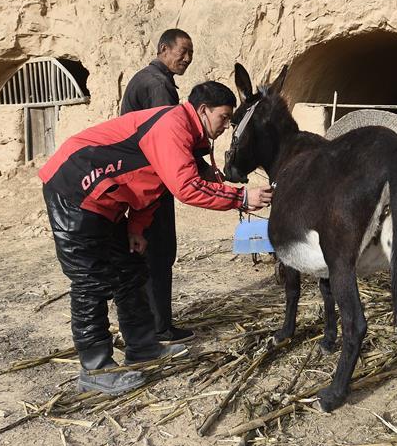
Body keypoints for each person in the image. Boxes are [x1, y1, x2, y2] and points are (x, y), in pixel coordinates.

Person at [40, 81, 273, 395]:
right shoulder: (173, 126)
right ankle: (94, 369)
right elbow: (185, 187)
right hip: (74, 191)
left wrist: (137, 226)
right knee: (90, 281)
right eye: (224, 117)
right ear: (203, 111)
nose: (225, 126)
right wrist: (241, 198)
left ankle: (143, 348)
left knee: (130, 272)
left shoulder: (186, 135)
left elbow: (154, 183)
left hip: (107, 201)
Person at [120, 28, 208, 344]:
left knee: (143, 251)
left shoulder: (148, 79)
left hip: (136, 179)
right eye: (182, 51)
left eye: (191, 54)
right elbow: (170, 141)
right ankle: (160, 328)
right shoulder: (158, 86)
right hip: (152, 182)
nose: (187, 59)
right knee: (159, 253)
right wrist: (203, 172)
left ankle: (144, 324)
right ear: (163, 48)